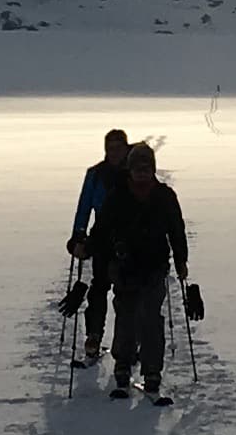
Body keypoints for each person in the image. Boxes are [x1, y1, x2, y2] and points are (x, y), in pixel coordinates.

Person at [89, 138, 189, 403]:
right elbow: (102, 230)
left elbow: (176, 231)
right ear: (130, 170)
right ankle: (123, 369)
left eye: (147, 169)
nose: (142, 174)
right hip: (124, 267)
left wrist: (181, 259)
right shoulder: (118, 195)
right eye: (138, 169)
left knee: (151, 320)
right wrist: (87, 247)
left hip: (155, 266)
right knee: (126, 317)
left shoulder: (165, 196)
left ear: (153, 170)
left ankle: (152, 373)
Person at [65, 124, 130, 362]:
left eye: (118, 148)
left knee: (126, 292)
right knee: (99, 288)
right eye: (110, 148)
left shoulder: (135, 173)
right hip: (102, 239)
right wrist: (78, 237)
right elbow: (83, 208)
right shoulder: (95, 174)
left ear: (125, 148)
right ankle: (94, 336)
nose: (114, 152)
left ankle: (125, 343)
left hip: (130, 240)